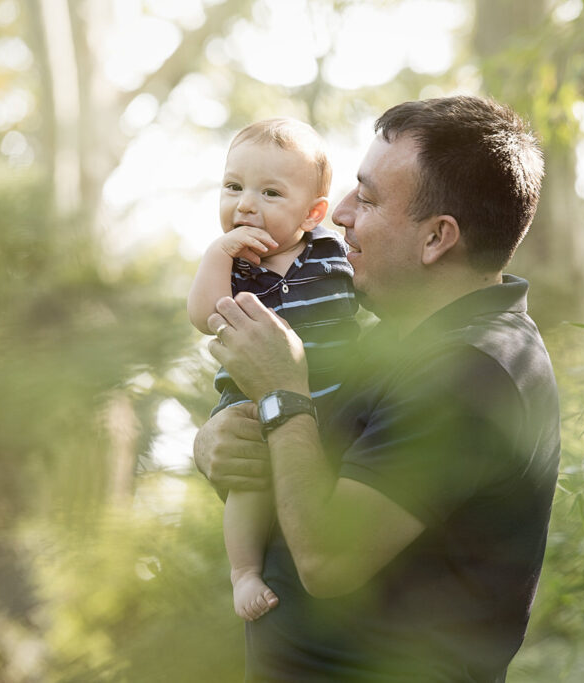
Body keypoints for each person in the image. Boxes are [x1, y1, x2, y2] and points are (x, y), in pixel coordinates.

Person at [195, 95, 560, 682]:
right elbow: (302, 467)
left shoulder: (473, 369)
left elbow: (328, 559)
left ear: (437, 239)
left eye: (366, 198)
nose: (338, 214)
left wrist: (280, 393)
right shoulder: (389, 343)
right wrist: (218, 441)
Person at [187, 118, 358, 622]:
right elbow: (204, 315)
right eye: (233, 187)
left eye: (270, 192)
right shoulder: (234, 266)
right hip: (251, 401)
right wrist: (219, 253)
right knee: (251, 480)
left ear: (313, 213)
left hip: (335, 395)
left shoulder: (332, 254)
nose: (244, 204)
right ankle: (244, 571)